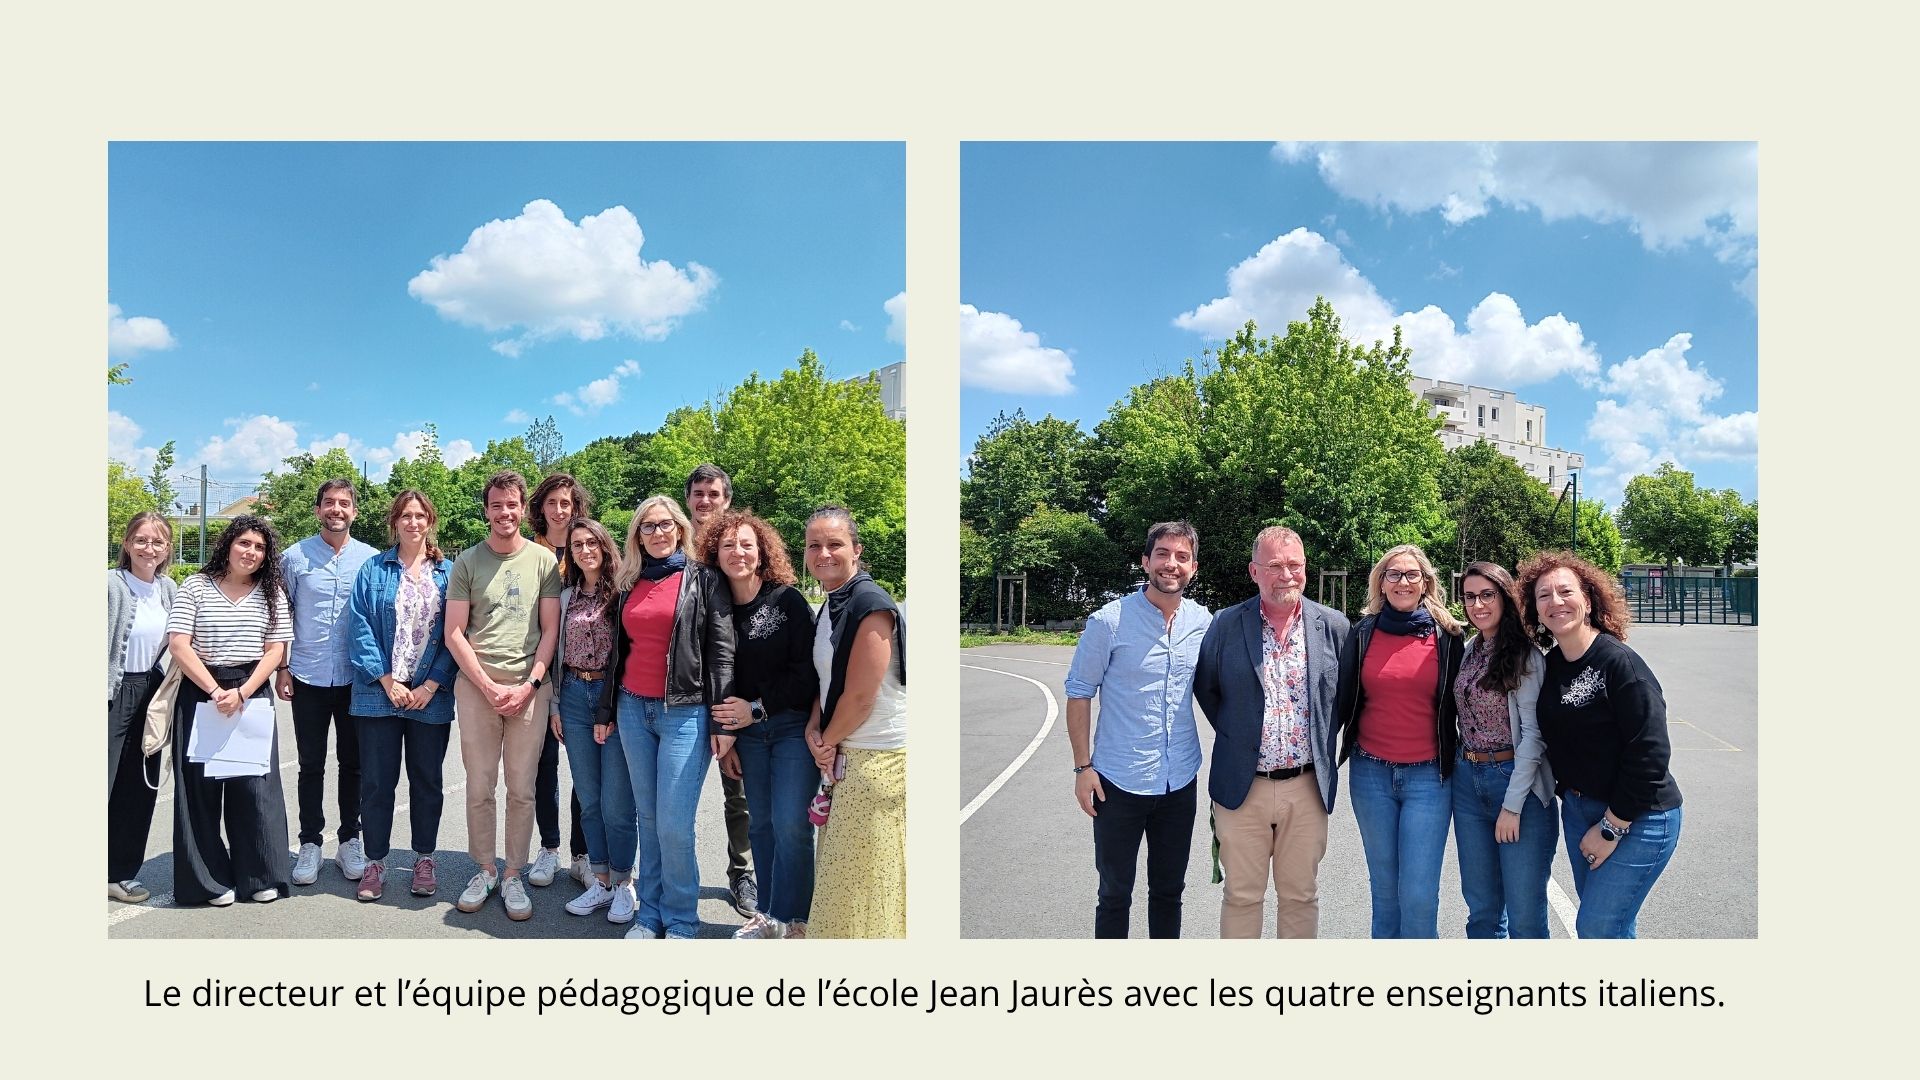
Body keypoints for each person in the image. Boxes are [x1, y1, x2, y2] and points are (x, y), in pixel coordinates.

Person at [1193, 525, 1348, 939]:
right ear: (1254, 571)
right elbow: (1208, 689)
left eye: (1294, 565)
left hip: (1307, 786)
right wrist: (1240, 735)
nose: (1286, 575)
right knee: (1242, 896)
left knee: (1300, 896)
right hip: (1243, 787)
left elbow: (1345, 697)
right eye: (1275, 565)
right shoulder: (1225, 624)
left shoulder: (1333, 626)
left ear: (1306, 569)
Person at [1518, 550, 1682, 939]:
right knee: (1612, 927)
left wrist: (1611, 827)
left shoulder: (1619, 664)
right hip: (1578, 808)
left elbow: (1651, 752)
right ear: (1535, 610)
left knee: (1597, 927)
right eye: (1544, 595)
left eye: (1565, 591)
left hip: (1638, 816)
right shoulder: (1553, 663)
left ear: (1588, 600)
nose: (1555, 602)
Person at [597, 495, 736, 939]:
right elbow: (616, 654)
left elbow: (721, 653)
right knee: (649, 819)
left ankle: (680, 919)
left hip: (686, 712)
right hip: (633, 708)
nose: (657, 533)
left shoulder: (704, 580)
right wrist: (608, 710)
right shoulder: (628, 581)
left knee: (674, 823)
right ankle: (649, 914)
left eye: (664, 525)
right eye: (647, 527)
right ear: (637, 535)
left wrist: (721, 722)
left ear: (680, 528)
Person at [1063, 521, 1208, 939]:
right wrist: (1081, 768)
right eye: (1162, 554)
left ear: (1193, 567)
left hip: (1179, 781)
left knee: (1169, 892)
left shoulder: (1203, 623)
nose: (1171, 564)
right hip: (1117, 782)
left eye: (1182, 556)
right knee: (1113, 893)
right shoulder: (1108, 621)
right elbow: (1079, 691)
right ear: (1146, 561)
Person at [444, 470, 562, 921]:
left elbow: (549, 629)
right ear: (486, 509)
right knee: (479, 785)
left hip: (530, 689)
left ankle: (513, 873)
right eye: (496, 505)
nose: (504, 513)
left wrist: (530, 685)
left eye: (512, 504)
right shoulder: (468, 562)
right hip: (478, 689)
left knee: (522, 788)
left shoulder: (543, 562)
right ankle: (484, 869)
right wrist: (489, 686)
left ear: (521, 507)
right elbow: (455, 632)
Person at [1335, 543, 1464, 939]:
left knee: (1420, 895)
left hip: (1429, 778)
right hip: (1371, 775)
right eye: (1394, 574)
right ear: (1381, 582)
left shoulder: (1449, 636)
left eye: (1411, 575)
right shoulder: (1362, 633)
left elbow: (1470, 702)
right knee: (1385, 892)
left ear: (1425, 582)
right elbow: (1340, 699)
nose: (1403, 582)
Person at [165, 515, 294, 906]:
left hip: (251, 691)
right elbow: (179, 643)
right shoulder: (196, 587)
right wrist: (215, 689)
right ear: (228, 544)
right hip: (201, 690)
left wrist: (243, 692)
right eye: (244, 543)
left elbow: (275, 650)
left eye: (259, 547)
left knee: (254, 788)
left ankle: (259, 877)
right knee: (200, 790)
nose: (251, 552)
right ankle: (210, 881)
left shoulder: (272, 592)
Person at [706, 511, 819, 939]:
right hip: (747, 738)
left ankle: (797, 920)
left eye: (746, 544)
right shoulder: (712, 608)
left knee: (792, 824)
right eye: (728, 545)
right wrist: (730, 739)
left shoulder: (785, 600)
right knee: (761, 825)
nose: (738, 552)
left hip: (788, 726)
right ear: (714, 553)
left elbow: (807, 673)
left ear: (762, 551)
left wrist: (756, 708)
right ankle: (769, 914)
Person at [803, 505, 907, 938]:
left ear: (857, 550)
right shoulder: (832, 604)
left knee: (864, 885)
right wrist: (815, 729)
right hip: (845, 750)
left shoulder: (870, 605)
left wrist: (824, 741)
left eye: (834, 544)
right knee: (845, 877)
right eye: (813, 545)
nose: (823, 553)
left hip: (875, 759)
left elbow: (862, 696)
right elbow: (827, 681)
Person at [346, 490, 456, 902]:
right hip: (379, 696)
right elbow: (358, 626)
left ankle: (424, 859)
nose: (413, 522)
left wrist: (432, 683)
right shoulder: (373, 569)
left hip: (431, 696)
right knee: (376, 784)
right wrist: (386, 679)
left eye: (420, 515)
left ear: (430, 521)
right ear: (395, 521)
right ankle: (375, 862)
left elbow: (457, 632)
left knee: (427, 782)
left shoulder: (448, 572)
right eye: (405, 515)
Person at [277, 478, 379, 886]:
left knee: (353, 763)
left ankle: (349, 840)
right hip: (307, 675)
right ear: (318, 509)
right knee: (310, 764)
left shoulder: (370, 560)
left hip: (356, 679)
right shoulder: (294, 557)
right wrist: (283, 667)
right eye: (329, 503)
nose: (336, 509)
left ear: (354, 511)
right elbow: (279, 614)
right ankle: (310, 842)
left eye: (344, 503)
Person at [1450, 560, 1558, 938]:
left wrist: (1512, 805)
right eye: (1469, 597)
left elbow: (1533, 737)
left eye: (1487, 595)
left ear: (1505, 598)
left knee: (1525, 915)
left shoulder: (1525, 657)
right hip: (1468, 782)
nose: (1477, 604)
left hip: (1517, 786)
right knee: (1482, 910)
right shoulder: (1468, 650)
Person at [550, 516, 638, 925]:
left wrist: (614, 705)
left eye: (592, 543)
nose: (585, 550)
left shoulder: (622, 592)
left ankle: (623, 882)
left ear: (605, 547)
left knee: (617, 801)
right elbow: (553, 654)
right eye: (577, 544)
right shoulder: (567, 595)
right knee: (588, 796)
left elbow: (628, 654)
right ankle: (599, 879)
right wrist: (554, 706)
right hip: (571, 694)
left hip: (612, 697)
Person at [685, 463, 758, 917]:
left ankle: (742, 872)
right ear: (688, 498)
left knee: (739, 789)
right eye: (698, 493)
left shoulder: (738, 545)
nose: (705, 501)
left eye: (714, 493)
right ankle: (672, 876)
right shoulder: (675, 542)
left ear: (726, 499)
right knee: (674, 793)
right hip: (684, 687)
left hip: (734, 681)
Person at [107, 511, 177, 903]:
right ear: (127, 543)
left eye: (157, 542)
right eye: (141, 540)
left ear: (167, 548)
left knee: (138, 787)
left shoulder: (168, 588)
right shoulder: (109, 584)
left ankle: (119, 873)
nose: (148, 548)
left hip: (150, 688)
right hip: (112, 691)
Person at [529, 471, 592, 889]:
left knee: (585, 771)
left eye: (566, 503)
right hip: (536, 674)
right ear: (541, 508)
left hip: (576, 676)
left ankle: (582, 853)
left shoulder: (588, 550)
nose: (559, 510)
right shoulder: (527, 552)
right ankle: (548, 848)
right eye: (551, 503)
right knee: (542, 766)